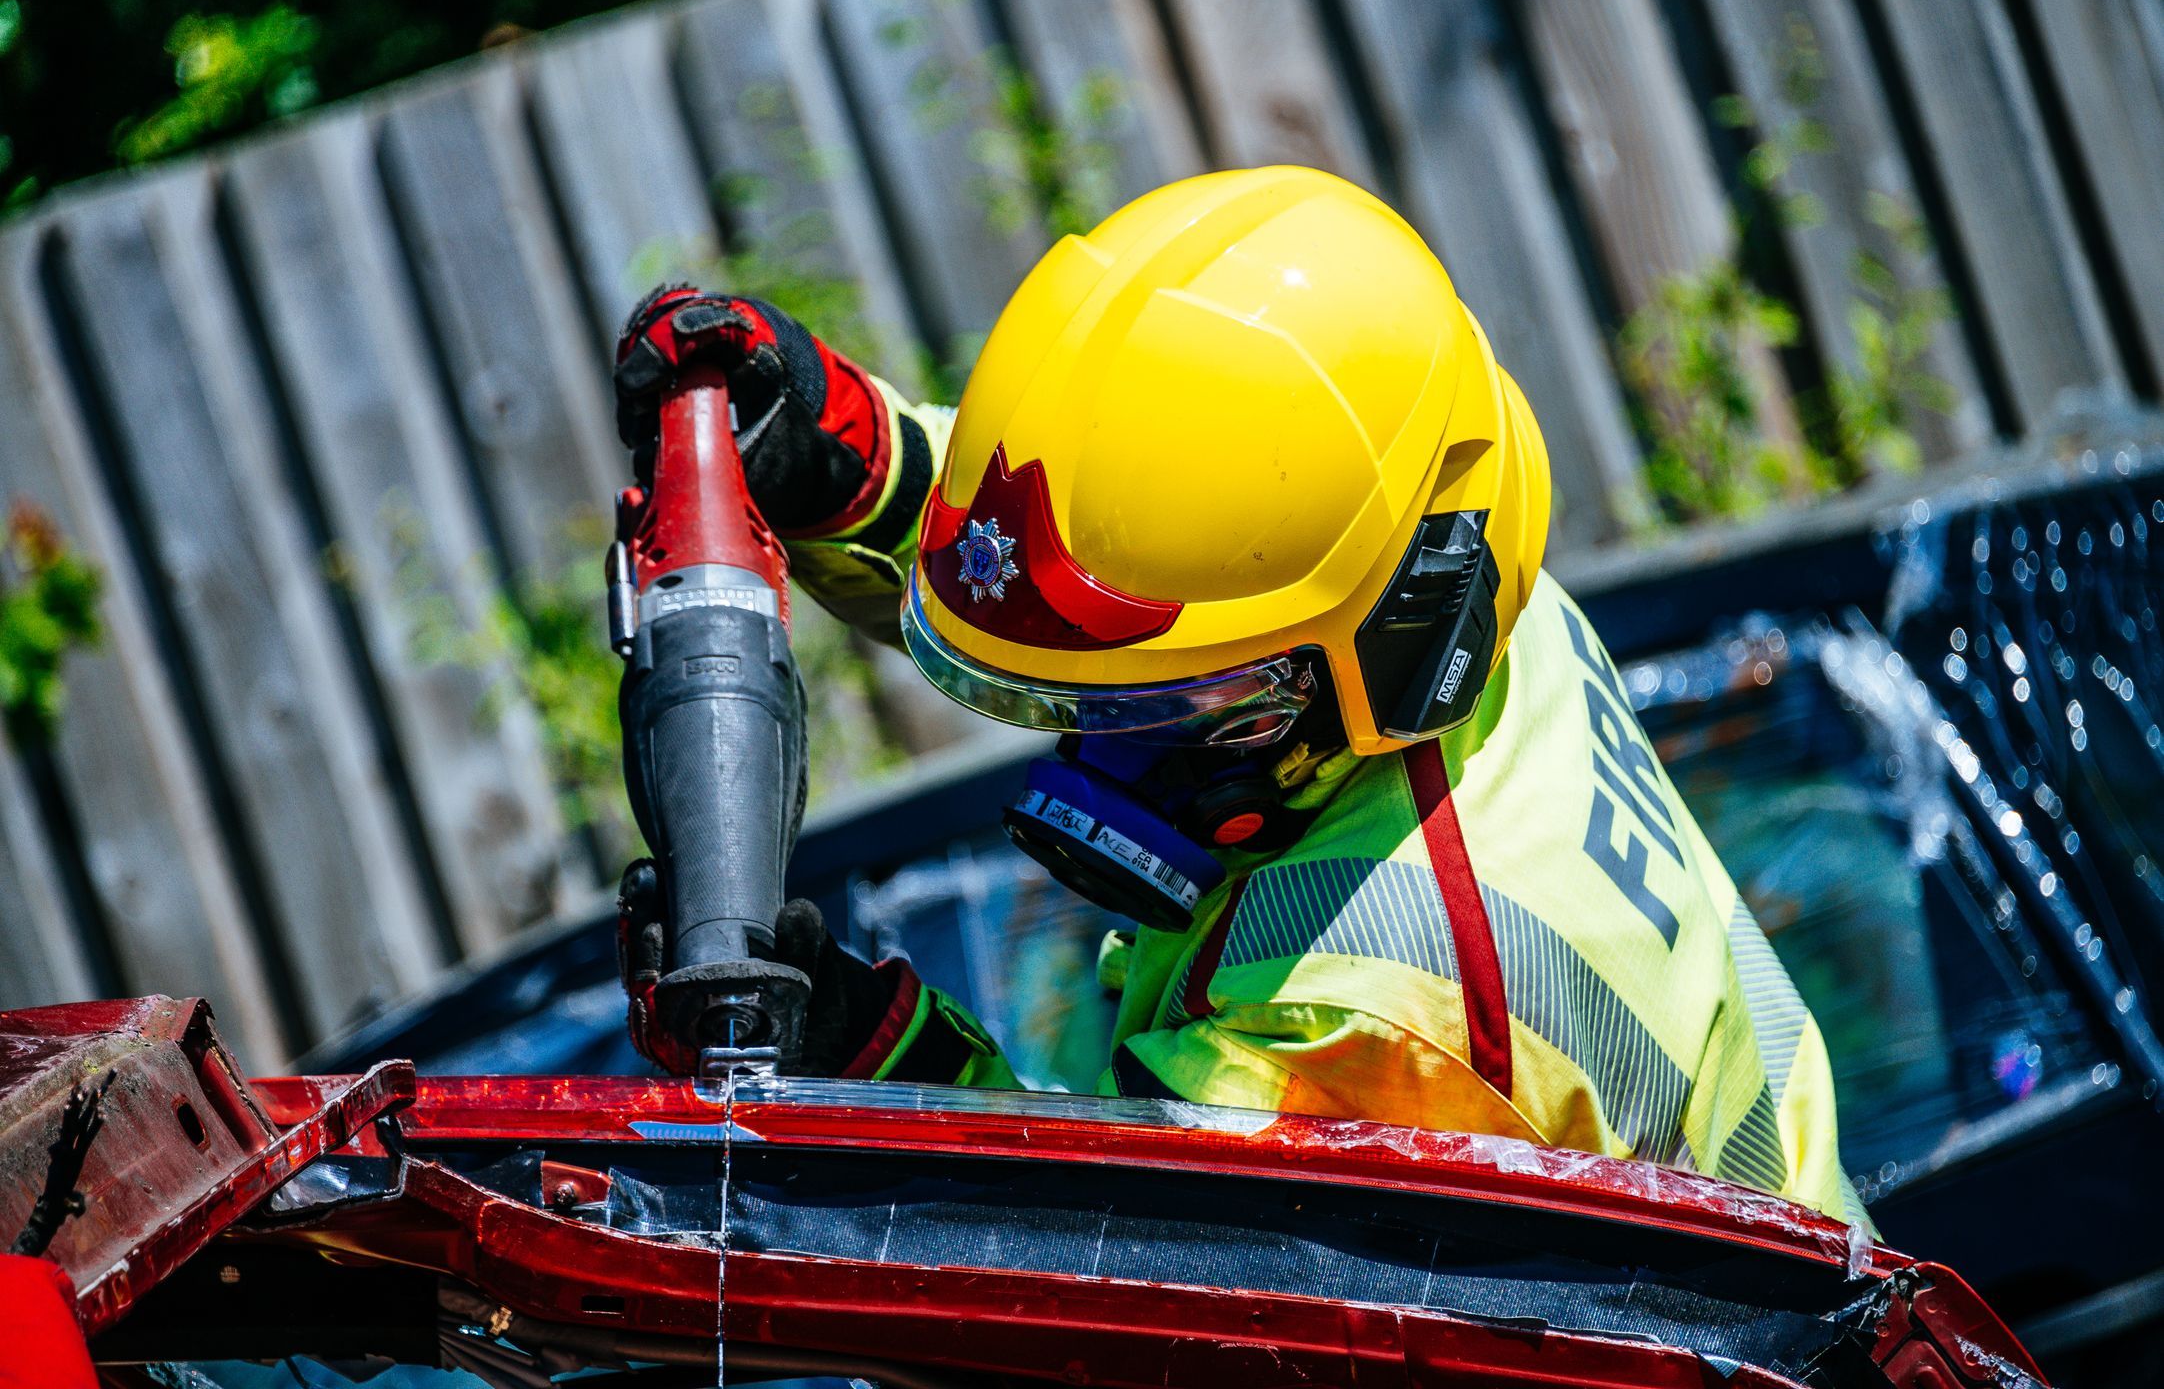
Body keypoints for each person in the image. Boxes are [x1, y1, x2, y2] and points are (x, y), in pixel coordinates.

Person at [611, 165, 1864, 1224]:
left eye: (1166, 706)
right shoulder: (1451, 578)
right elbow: (1110, 560)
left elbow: (1106, 1278)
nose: (1098, 747)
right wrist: (854, 461)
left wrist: (863, 1063)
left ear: (1392, 641)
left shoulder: (1378, 1009)